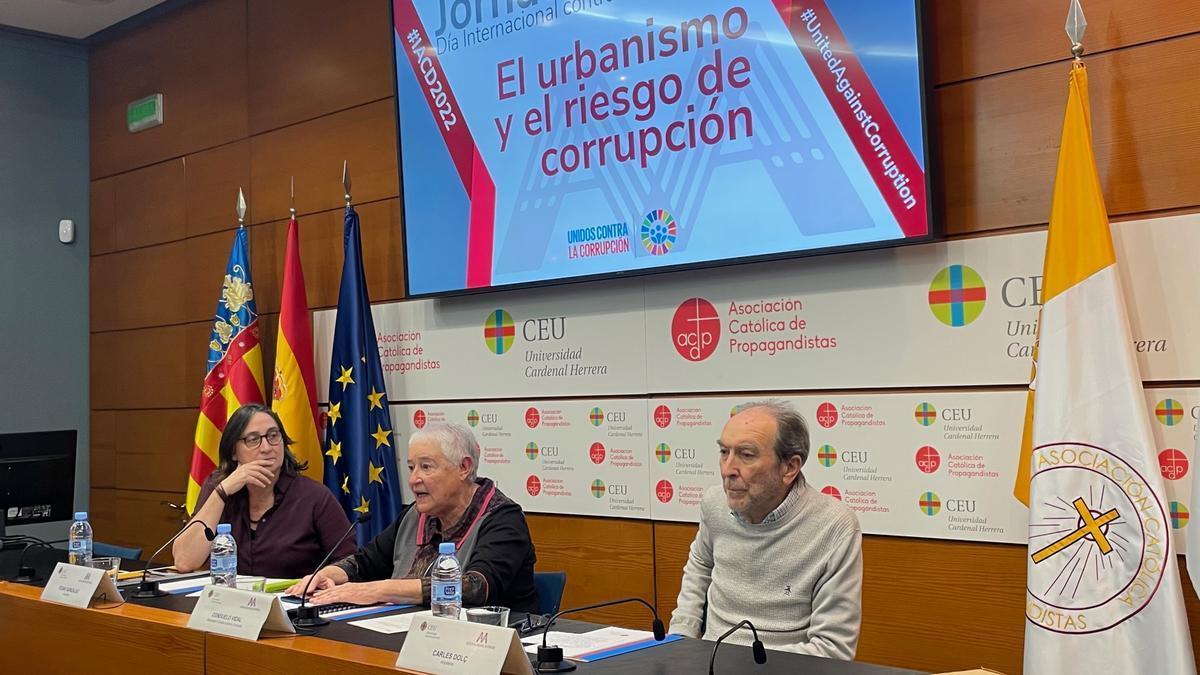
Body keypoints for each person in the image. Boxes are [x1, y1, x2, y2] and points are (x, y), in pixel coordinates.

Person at [669, 400, 863, 659]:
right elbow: (700, 566)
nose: (727, 470)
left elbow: (834, 649)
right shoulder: (714, 504)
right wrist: (681, 637)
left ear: (789, 467)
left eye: (746, 455)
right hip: (708, 663)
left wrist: (739, 665)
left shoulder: (835, 526)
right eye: (724, 452)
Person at [286, 422, 538, 613]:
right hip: (414, 635)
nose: (413, 479)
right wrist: (327, 575)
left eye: (426, 467)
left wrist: (376, 590)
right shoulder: (415, 515)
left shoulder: (502, 518)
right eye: (411, 467)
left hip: (488, 648)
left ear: (464, 467)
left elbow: (474, 587)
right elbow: (365, 562)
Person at [173, 403, 356, 578]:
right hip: (231, 604)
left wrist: (318, 581)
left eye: (273, 436)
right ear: (234, 452)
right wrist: (222, 492)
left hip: (291, 604)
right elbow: (184, 561)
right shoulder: (218, 487)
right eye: (253, 440)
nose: (267, 448)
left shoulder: (314, 497)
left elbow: (350, 562)